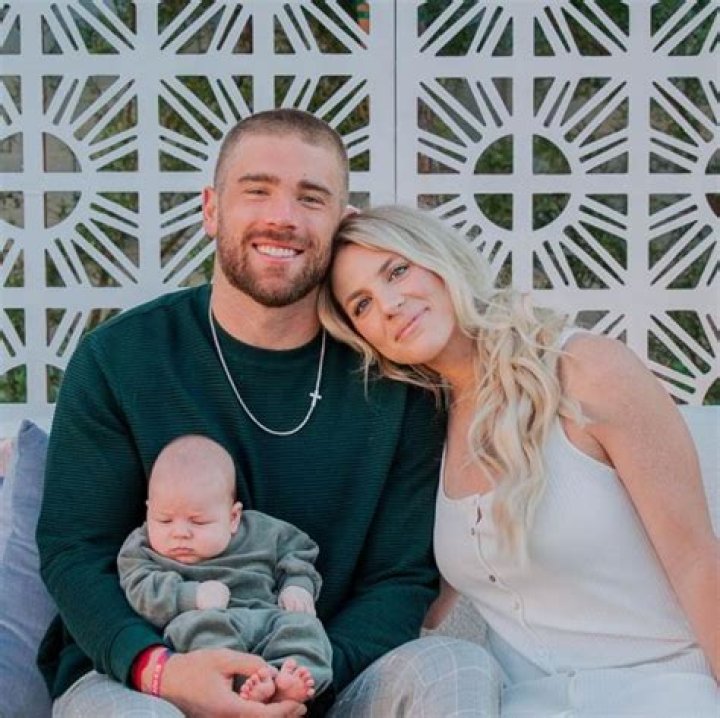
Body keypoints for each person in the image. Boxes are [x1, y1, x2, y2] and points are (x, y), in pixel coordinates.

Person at [37, 109, 499, 718]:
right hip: (146, 677)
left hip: (328, 676)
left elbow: (399, 578)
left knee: (458, 666)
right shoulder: (120, 359)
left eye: (311, 197)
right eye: (257, 190)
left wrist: (303, 677)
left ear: (341, 223)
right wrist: (160, 669)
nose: (283, 217)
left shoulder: (395, 378)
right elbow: (74, 552)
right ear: (211, 209)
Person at [319, 204, 719, 717]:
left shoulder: (587, 370)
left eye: (397, 270)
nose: (390, 305)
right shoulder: (423, 434)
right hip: (520, 706)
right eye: (362, 305)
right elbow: (420, 606)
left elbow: (696, 561)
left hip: (662, 692)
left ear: (438, 258)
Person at [117, 434, 332, 705]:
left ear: (233, 517)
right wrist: (189, 596)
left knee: (304, 626)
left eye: (198, 522)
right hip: (204, 624)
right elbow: (139, 587)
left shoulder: (263, 532)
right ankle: (240, 688)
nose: (179, 533)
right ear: (149, 511)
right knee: (200, 628)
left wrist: (298, 585)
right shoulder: (142, 547)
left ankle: (284, 683)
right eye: (164, 519)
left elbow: (299, 551)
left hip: (267, 617)